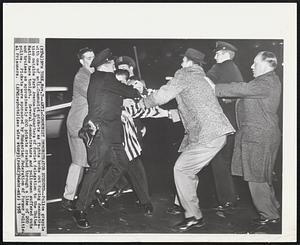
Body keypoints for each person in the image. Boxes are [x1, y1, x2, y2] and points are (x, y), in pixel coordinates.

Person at [138, 48, 235, 231]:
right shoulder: (201, 78)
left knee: (182, 169)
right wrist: (168, 113)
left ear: (188, 62)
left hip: (208, 133)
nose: (180, 64)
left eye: (182, 61)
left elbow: (162, 95)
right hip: (214, 132)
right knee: (186, 169)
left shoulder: (185, 73)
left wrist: (142, 101)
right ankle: (185, 207)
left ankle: (194, 217)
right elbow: (193, 105)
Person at [72, 48, 141, 229]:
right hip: (100, 131)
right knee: (96, 169)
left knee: (123, 163)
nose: (114, 66)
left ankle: (98, 192)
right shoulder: (104, 78)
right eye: (112, 63)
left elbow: (115, 97)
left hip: (112, 131)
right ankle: (80, 209)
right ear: (106, 65)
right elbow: (129, 92)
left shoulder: (100, 79)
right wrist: (137, 88)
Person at [214, 51, 282, 225]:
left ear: (267, 64)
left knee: (255, 177)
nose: (251, 66)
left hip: (258, 136)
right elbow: (247, 95)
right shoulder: (267, 81)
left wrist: (213, 88)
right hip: (262, 134)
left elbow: (243, 89)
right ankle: (273, 206)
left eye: (255, 63)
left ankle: (268, 215)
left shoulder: (266, 82)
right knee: (263, 174)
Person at [206, 41, 244, 211]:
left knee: (218, 159)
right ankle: (231, 196)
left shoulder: (221, 67)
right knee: (224, 159)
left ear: (225, 54)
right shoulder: (234, 69)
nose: (214, 57)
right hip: (231, 121)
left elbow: (204, 83)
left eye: (217, 54)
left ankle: (227, 200)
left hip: (219, 121)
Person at [61, 47, 95, 211]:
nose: (92, 60)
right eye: (88, 58)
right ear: (81, 61)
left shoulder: (91, 74)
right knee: (79, 162)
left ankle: (87, 195)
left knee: (89, 162)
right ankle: (68, 198)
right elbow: (93, 94)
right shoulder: (82, 75)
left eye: (93, 57)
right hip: (78, 124)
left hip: (88, 124)